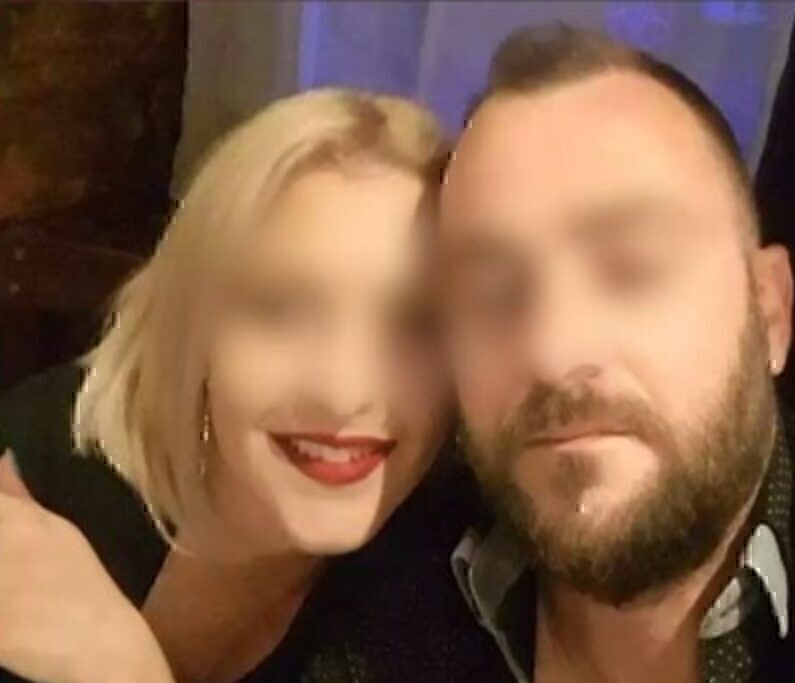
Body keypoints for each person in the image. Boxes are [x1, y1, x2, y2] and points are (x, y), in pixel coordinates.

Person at [440, 24, 795, 683]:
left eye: (633, 266)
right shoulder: (406, 548)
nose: (551, 350)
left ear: (769, 312)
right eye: (489, 292)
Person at [0, 88, 498, 683]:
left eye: (417, 323)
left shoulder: (448, 596)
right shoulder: (40, 468)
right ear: (197, 327)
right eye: (281, 310)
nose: (344, 392)